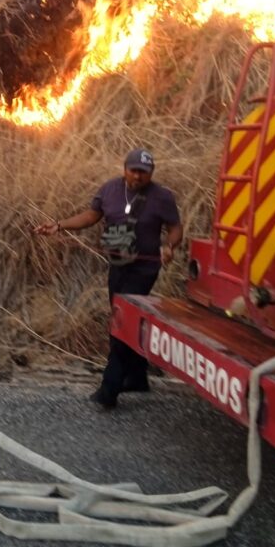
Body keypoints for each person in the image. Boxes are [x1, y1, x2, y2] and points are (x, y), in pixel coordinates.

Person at [35, 147, 182, 409]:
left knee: (122, 321)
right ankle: (137, 377)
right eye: (134, 170)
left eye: (144, 172)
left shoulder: (162, 197)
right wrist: (59, 225)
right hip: (118, 265)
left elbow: (175, 227)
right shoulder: (110, 189)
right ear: (124, 169)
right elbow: (91, 216)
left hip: (144, 269)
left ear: (151, 173)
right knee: (126, 317)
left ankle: (109, 389)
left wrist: (169, 247)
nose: (138, 176)